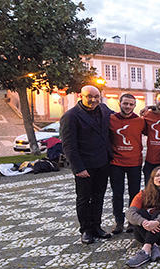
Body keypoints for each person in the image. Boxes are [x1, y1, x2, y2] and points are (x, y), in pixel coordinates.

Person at [61, 85, 112, 245]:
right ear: (80, 96)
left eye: (96, 96)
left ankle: (97, 227)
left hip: (102, 162)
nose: (93, 100)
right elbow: (69, 145)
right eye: (89, 96)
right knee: (84, 199)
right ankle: (86, 230)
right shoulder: (71, 116)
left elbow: (119, 116)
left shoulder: (104, 109)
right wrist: (78, 168)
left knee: (98, 197)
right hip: (85, 165)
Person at [125, 166, 160, 267]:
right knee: (140, 214)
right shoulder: (143, 193)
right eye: (157, 175)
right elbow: (129, 213)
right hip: (143, 233)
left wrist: (156, 222)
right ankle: (153, 246)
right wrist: (143, 222)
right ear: (152, 178)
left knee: (157, 214)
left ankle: (145, 251)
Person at [108, 93, 145, 235]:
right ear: (120, 103)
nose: (128, 106)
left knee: (134, 193)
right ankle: (118, 221)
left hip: (134, 162)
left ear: (135, 105)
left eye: (131, 104)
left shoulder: (140, 121)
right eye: (125, 103)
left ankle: (132, 221)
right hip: (116, 162)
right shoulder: (111, 119)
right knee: (117, 193)